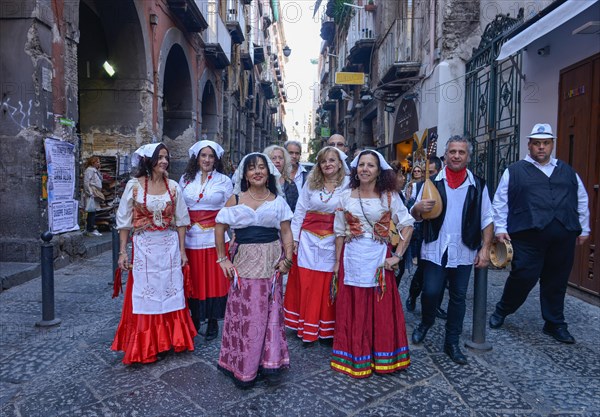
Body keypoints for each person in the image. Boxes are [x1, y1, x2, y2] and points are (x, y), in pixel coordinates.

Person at [489, 123, 590, 344]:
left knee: (557, 281)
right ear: (530, 145)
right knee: (523, 277)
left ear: (552, 144)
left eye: (545, 143)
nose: (541, 148)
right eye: (537, 143)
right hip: (528, 237)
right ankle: (502, 310)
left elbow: (581, 199)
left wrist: (585, 227)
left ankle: (554, 323)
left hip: (562, 235)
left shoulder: (567, 171)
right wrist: (501, 229)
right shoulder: (514, 171)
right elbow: (500, 202)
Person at [410, 136, 493, 365]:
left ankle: (452, 342)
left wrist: (485, 249)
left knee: (458, 298)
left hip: (464, 249)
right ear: (445, 155)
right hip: (435, 247)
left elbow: (487, 219)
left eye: (461, 152)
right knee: (431, 292)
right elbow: (415, 217)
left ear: (468, 156)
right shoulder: (431, 182)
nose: (456, 156)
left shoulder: (479, 185)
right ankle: (426, 322)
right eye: (452, 151)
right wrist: (417, 208)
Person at [331, 150, 414, 378]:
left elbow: (407, 224)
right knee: (355, 306)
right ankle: (356, 356)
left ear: (379, 171)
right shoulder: (346, 196)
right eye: (361, 165)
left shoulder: (389, 196)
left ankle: (382, 357)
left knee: (380, 307)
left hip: (379, 260)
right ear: (356, 170)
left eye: (370, 165)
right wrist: (337, 263)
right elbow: (339, 232)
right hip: (352, 258)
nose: (365, 169)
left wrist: (397, 256)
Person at [214, 152, 294, 388]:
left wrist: (288, 259)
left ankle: (268, 362)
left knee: (269, 313)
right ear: (245, 175)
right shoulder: (236, 199)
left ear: (268, 172)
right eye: (252, 168)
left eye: (261, 167)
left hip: (271, 262)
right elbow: (219, 228)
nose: (257, 171)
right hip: (244, 262)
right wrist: (223, 260)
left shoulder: (278, 201)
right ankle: (244, 365)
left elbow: (286, 231)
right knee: (247, 313)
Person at [112, 143, 196, 365]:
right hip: (144, 247)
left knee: (170, 292)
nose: (164, 161)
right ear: (148, 161)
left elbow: (181, 222)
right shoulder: (134, 186)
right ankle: (147, 344)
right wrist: (122, 253)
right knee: (146, 294)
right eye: (159, 158)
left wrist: (182, 251)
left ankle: (169, 340)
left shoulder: (174, 187)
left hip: (168, 246)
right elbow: (124, 222)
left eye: (166, 157)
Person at [284, 146, 349, 346]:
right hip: (308, 241)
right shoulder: (311, 183)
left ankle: (327, 329)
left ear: (340, 164)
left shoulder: (348, 185)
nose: (328, 164)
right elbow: (300, 211)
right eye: (323, 161)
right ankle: (307, 327)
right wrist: (293, 240)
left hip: (334, 239)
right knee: (309, 282)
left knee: (329, 281)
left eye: (332, 160)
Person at [179, 140, 233, 340]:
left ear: (216, 159)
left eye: (211, 156)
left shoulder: (224, 181)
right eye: (204, 155)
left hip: (214, 238)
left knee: (214, 281)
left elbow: (229, 210)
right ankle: (193, 318)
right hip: (190, 238)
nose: (207, 159)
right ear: (197, 157)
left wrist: (231, 234)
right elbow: (179, 208)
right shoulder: (185, 179)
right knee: (194, 279)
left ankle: (212, 320)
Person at [405, 156, 448, 320]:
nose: (428, 175)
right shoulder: (419, 186)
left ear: (439, 170)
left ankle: (436, 305)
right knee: (422, 272)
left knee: (443, 275)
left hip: (445, 237)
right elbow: (413, 211)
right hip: (426, 234)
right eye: (426, 172)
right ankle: (413, 295)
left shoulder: (446, 185)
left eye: (432, 172)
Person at [264, 145, 299, 211]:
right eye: (274, 158)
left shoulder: (291, 184)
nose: (278, 161)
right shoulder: (262, 183)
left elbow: (296, 209)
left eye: (280, 158)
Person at [82, 156, 104, 236]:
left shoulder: (95, 170)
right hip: (91, 193)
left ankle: (90, 228)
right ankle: (90, 229)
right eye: (97, 162)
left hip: (94, 193)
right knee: (91, 211)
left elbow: (101, 179)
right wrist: (89, 193)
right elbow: (86, 182)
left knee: (93, 211)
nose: (99, 163)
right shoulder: (89, 170)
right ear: (93, 162)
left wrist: (99, 170)